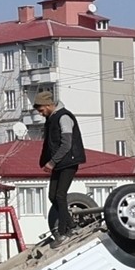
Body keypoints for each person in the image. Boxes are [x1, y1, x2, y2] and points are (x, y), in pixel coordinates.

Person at [34, 90, 86, 244]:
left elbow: (66, 144)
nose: (41, 114)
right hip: (59, 163)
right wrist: (44, 161)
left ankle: (64, 231)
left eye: (41, 110)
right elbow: (48, 143)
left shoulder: (64, 117)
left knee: (60, 195)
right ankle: (71, 224)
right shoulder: (50, 119)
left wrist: (52, 162)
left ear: (49, 105)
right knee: (52, 196)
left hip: (68, 162)